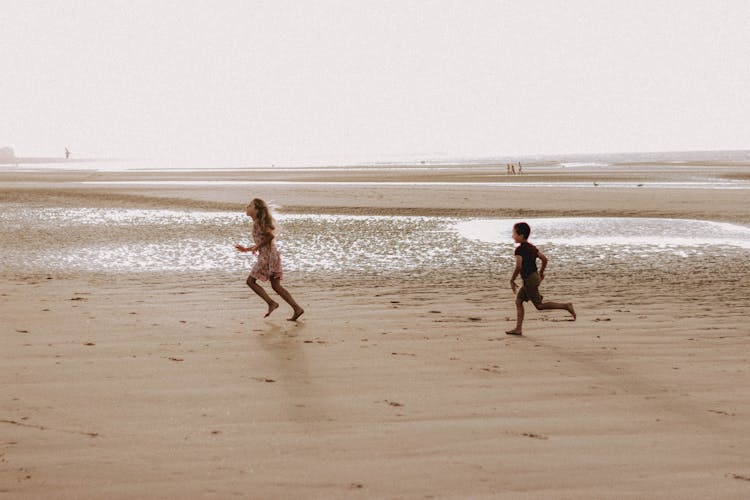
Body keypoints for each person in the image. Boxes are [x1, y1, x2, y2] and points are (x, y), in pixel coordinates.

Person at [235, 198, 304, 321]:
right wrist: (246, 249)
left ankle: (271, 303)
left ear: (257, 210)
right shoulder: (257, 222)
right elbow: (263, 242)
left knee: (250, 282)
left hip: (267, 257)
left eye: (250, 205)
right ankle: (297, 308)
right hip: (271, 255)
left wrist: (257, 246)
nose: (247, 207)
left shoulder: (258, 223)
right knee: (276, 286)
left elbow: (270, 236)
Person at [506, 222, 575, 335]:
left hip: (530, 280)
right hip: (534, 278)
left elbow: (518, 266)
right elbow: (544, 259)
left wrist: (512, 280)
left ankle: (566, 306)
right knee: (519, 301)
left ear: (521, 235)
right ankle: (518, 329)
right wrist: (541, 273)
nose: (512, 236)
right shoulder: (532, 247)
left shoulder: (519, 250)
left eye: (514, 233)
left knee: (539, 305)